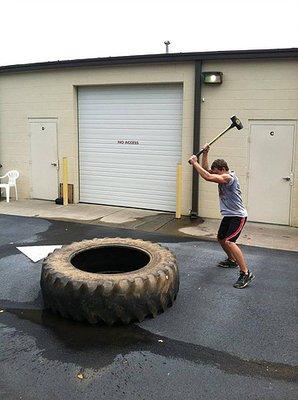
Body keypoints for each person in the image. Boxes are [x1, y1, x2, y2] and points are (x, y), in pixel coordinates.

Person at [188, 144, 255, 289]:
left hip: (238, 216)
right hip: (229, 215)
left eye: (218, 172)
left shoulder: (228, 178)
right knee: (221, 238)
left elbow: (207, 176)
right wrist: (205, 154)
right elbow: (207, 171)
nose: (216, 175)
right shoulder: (220, 174)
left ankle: (245, 272)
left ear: (224, 169)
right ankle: (232, 260)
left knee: (230, 241)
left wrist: (194, 162)